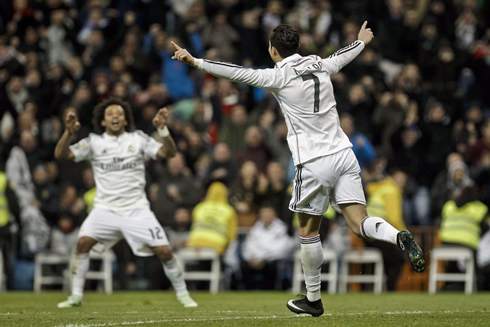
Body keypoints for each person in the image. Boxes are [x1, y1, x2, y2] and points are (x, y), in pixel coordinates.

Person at [171, 21, 425, 317]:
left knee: (307, 230)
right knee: (359, 222)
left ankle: (314, 300)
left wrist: (195, 61)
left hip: (313, 161)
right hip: (344, 155)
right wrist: (361, 42)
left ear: (274, 50)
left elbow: (236, 71)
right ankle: (398, 236)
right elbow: (343, 55)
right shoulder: (319, 64)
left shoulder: (278, 75)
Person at [54, 98, 197, 308]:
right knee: (82, 243)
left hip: (136, 209)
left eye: (119, 113)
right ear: (103, 121)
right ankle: (76, 295)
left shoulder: (138, 139)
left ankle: (183, 294)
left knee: (165, 251)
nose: (115, 116)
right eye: (110, 113)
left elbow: (169, 153)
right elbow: (60, 154)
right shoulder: (94, 142)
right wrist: (68, 132)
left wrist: (163, 130)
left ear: (125, 119)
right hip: (105, 209)